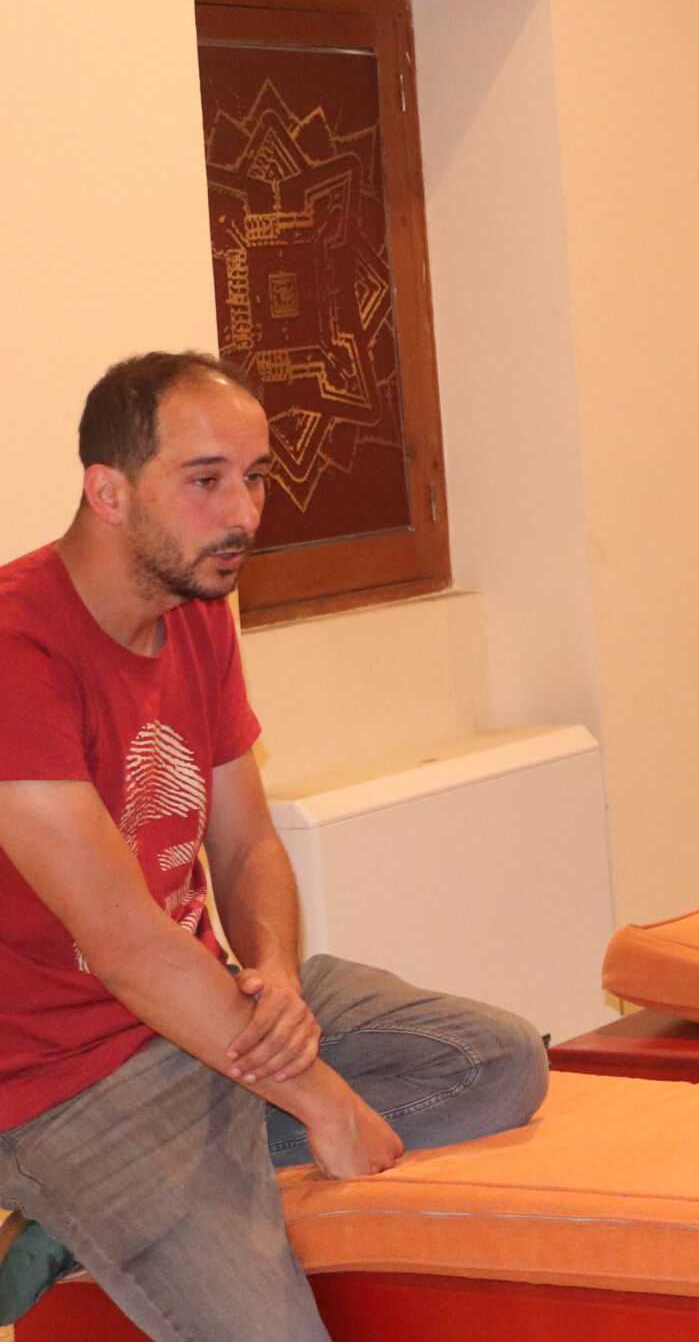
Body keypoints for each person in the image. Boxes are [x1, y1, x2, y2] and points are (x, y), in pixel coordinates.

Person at [0, 353, 548, 1341]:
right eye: (207, 480)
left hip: (209, 1012)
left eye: (255, 477)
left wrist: (277, 981)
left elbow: (247, 841)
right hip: (65, 1081)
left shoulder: (198, 609)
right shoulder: (15, 649)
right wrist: (319, 1097)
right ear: (108, 490)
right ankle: (87, 1202)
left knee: (497, 1062)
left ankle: (192, 1174)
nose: (245, 513)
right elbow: (123, 945)